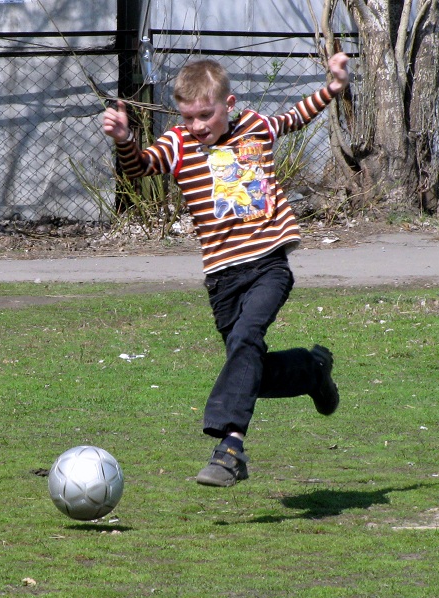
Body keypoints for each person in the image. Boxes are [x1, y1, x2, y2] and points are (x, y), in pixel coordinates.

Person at [102, 53, 350, 487]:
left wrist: (332, 87)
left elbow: (295, 117)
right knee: (249, 362)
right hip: (222, 278)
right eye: (189, 116)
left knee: (247, 340)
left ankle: (230, 447)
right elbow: (138, 168)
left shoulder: (255, 126)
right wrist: (124, 139)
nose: (198, 125)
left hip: (268, 264)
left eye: (206, 114)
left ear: (228, 103)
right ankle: (312, 371)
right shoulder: (178, 144)